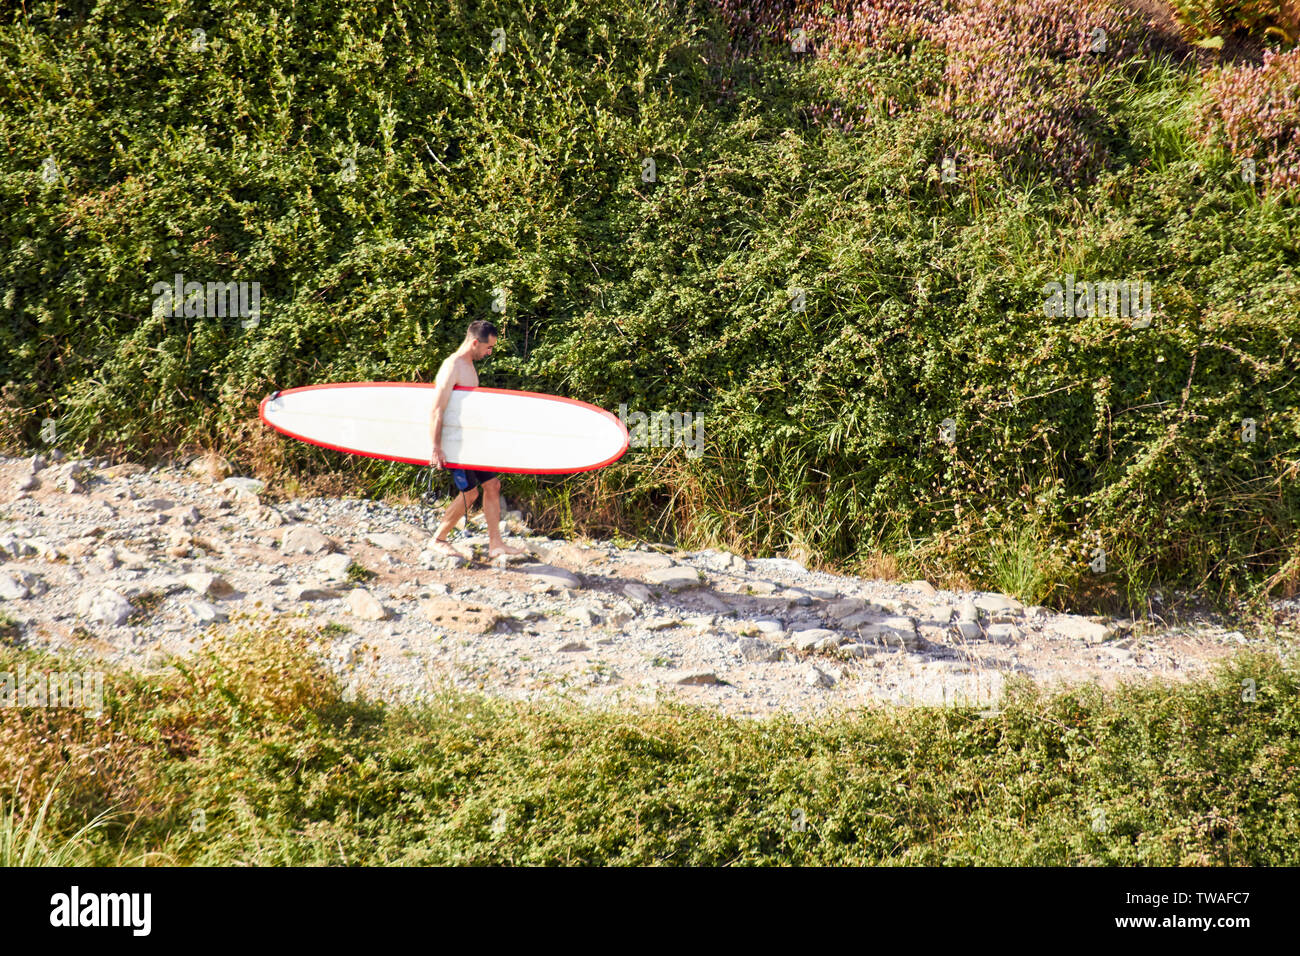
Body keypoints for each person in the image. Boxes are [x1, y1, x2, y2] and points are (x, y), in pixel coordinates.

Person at [428, 320, 526, 561]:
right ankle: (438, 539)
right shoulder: (452, 367)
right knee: (469, 494)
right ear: (474, 342)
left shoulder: (469, 365)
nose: (489, 352)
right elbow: (436, 410)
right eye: (488, 347)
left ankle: (496, 544)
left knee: (492, 486)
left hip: (471, 441)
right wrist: (436, 447)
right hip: (454, 444)